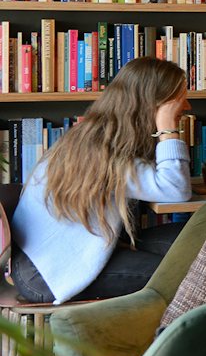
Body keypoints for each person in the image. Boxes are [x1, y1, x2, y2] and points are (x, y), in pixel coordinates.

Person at [10, 57, 192, 304]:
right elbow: (175, 189)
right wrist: (167, 127)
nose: (188, 106)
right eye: (177, 101)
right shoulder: (102, 153)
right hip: (48, 273)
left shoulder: (103, 139)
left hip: (61, 256)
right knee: (187, 274)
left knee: (199, 236)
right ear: (154, 105)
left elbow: (163, 183)